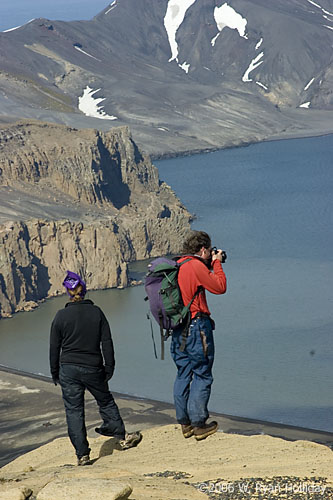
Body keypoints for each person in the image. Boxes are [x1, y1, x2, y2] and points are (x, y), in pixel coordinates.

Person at [49, 271, 142, 466]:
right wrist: (110, 366)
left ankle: (82, 455)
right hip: (93, 367)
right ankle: (122, 438)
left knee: (74, 411)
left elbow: (54, 347)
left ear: (68, 292)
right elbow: (106, 342)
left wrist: (54, 372)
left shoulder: (60, 316)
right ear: (84, 289)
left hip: (68, 369)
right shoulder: (97, 312)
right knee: (106, 402)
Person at [171, 230, 227, 441]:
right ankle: (198, 424)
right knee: (202, 373)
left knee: (183, 373)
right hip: (196, 326)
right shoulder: (195, 266)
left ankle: (184, 423)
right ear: (203, 249)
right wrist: (216, 263)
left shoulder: (178, 264)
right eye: (210, 251)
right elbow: (220, 287)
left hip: (178, 329)